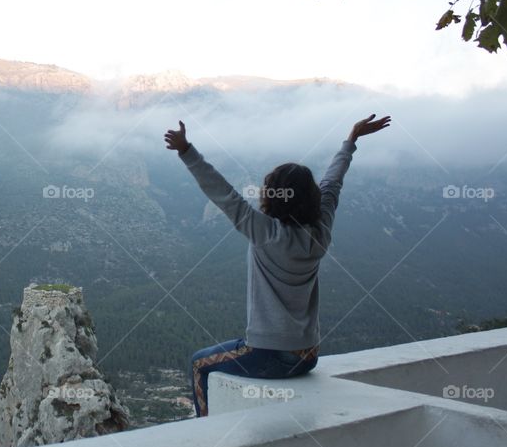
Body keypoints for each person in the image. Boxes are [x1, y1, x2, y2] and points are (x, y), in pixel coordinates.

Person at [164, 114, 391, 417]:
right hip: (308, 355)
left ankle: (205, 434)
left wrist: (186, 151)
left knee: (198, 364)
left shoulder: (265, 232)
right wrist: (350, 142)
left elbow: (223, 194)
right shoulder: (321, 231)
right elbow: (332, 184)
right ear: (311, 198)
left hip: (268, 355)